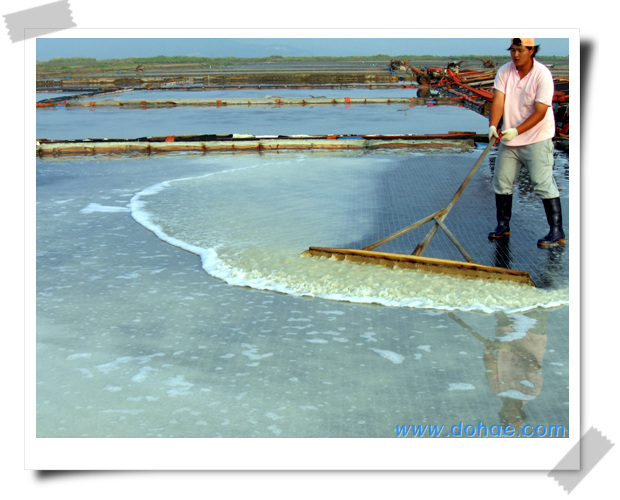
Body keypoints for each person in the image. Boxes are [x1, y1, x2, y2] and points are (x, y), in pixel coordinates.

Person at [488, 38, 566, 247]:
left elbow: (540, 112)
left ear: (531, 50)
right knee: (501, 180)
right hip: (509, 139)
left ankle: (557, 231)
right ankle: (503, 226)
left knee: (542, 182)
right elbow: (498, 100)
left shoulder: (542, 74)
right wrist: (493, 125)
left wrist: (517, 130)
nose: (515, 55)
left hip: (537, 137)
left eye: (520, 50)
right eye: (513, 50)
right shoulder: (505, 71)